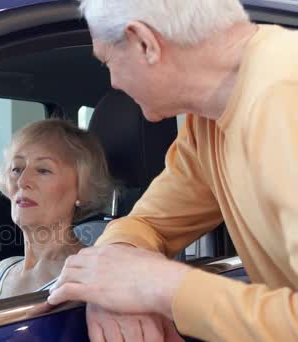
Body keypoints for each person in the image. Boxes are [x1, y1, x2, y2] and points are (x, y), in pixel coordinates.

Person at [47, 0, 298, 341]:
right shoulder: (208, 123)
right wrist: (113, 276)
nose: (114, 83)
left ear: (144, 43)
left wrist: (160, 287)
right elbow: (148, 224)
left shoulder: (286, 95)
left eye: (107, 61)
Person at [0, 119, 113, 315]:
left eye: (43, 170)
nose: (22, 181)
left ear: (82, 189)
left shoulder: (93, 279)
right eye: (16, 169)